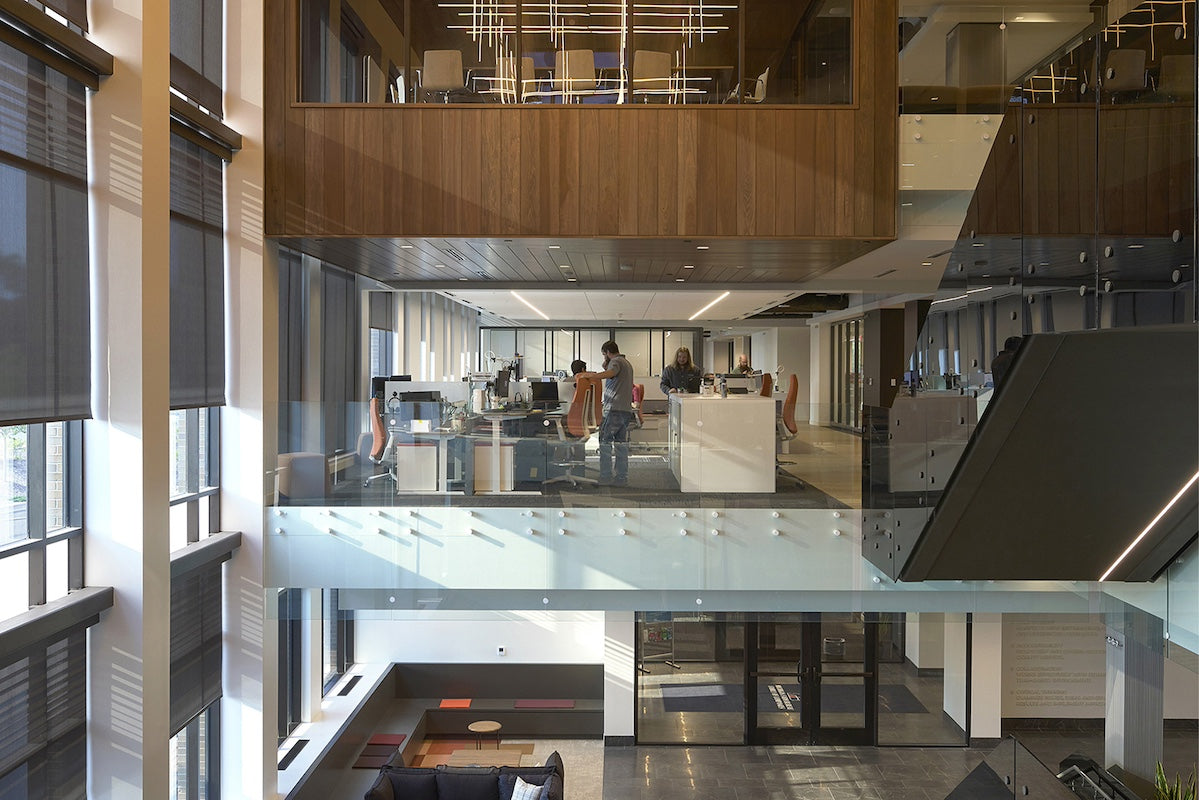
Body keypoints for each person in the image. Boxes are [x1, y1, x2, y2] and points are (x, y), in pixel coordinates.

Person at [582, 340, 634, 486]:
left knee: (605, 442)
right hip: (624, 409)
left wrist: (590, 376)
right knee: (620, 444)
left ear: (607, 352)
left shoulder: (616, 361)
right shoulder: (626, 362)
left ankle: (605, 475)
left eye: (604, 354)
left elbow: (611, 372)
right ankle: (622, 477)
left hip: (614, 409)